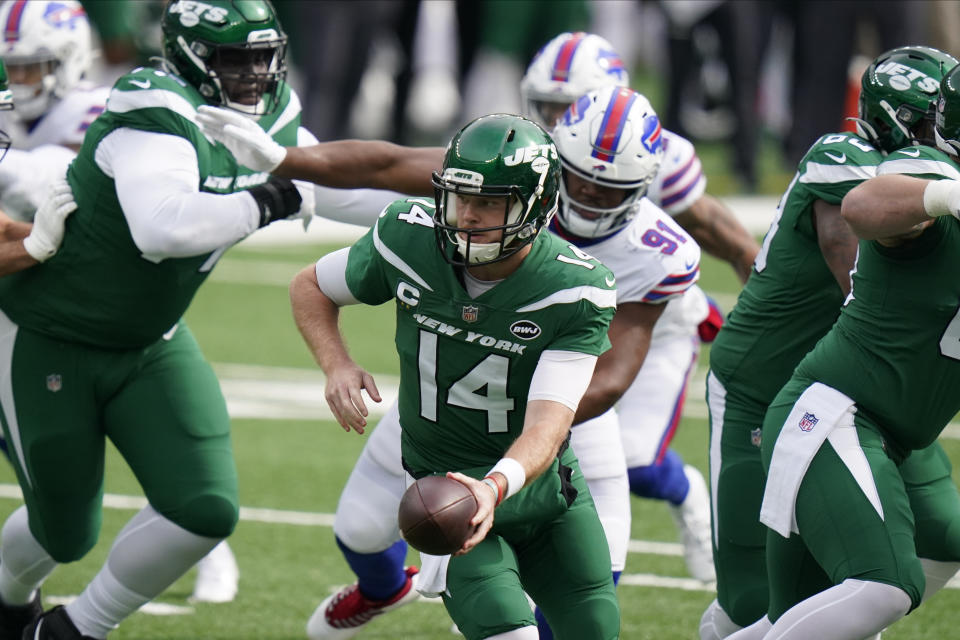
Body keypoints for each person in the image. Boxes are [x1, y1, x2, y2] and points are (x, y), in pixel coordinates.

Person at [0, 1, 445, 638]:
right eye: (236, 59)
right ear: (189, 57)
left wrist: (458, 216)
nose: (255, 74)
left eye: (264, 57)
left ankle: (73, 630)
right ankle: (8, 599)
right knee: (65, 531)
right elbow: (163, 228)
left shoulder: (270, 113)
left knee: (203, 508)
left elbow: (348, 189)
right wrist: (269, 196)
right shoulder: (152, 108)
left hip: (151, 339)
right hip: (48, 336)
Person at [290, 113, 620, 640]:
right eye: (459, 198)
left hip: (541, 493)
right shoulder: (409, 236)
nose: (466, 216)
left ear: (536, 207)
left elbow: (548, 425)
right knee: (509, 633)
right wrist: (337, 364)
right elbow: (311, 286)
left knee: (595, 628)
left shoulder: (575, 289)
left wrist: (495, 487)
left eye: (489, 203)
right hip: (445, 494)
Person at [701, 45, 960, 640]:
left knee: (939, 541)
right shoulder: (853, 160)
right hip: (776, 389)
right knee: (752, 602)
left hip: (878, 397)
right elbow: (863, 234)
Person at [0, 0, 247, 605]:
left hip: (72, 322)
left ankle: (205, 546)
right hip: (31, 312)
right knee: (61, 510)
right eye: (8, 70)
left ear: (67, 60)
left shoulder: (105, 110)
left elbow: (48, 177)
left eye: (28, 69)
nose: (16, 84)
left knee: (85, 505)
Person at [522, 30, 761, 583]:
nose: (557, 121)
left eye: (567, 107)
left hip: (654, 324)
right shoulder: (537, 152)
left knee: (632, 462)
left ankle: (688, 494)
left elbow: (729, 238)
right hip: (562, 323)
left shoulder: (656, 156)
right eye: (549, 107)